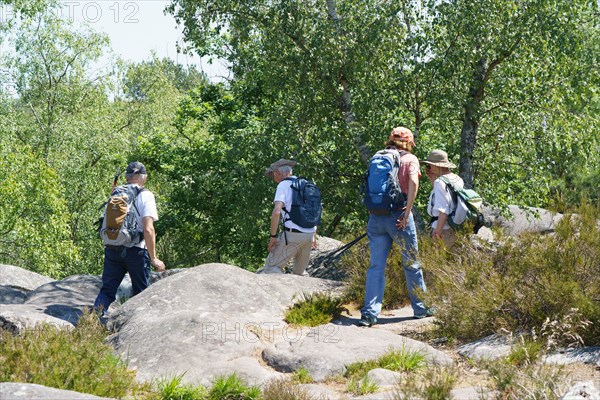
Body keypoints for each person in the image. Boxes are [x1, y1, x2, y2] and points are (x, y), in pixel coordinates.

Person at [359, 127, 432, 327]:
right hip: (399, 217)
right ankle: (421, 307)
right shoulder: (410, 159)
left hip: (376, 217)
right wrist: (407, 212)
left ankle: (369, 314)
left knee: (376, 266)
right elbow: (413, 183)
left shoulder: (378, 157)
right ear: (409, 142)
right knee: (411, 263)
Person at [94, 161, 166, 317]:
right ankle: (138, 329)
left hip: (113, 247)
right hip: (136, 251)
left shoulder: (116, 193)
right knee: (141, 293)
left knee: (107, 290)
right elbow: (148, 228)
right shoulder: (146, 195)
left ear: (127, 177)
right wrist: (154, 258)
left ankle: (91, 322)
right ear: (143, 177)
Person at [256, 159, 317, 276]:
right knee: (299, 273)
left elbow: (277, 212)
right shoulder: (306, 184)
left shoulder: (283, 185)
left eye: (272, 174)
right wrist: (313, 233)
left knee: (270, 267)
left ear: (277, 173)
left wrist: (273, 237)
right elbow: (315, 210)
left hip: (293, 235)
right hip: (309, 235)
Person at [423, 149, 464, 249]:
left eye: (430, 165)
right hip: (454, 226)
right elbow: (449, 198)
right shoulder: (457, 179)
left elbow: (444, 210)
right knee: (450, 260)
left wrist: (437, 232)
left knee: (437, 261)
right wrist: (433, 180)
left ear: (437, 165)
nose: (428, 168)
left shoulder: (439, 182)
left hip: (442, 228)